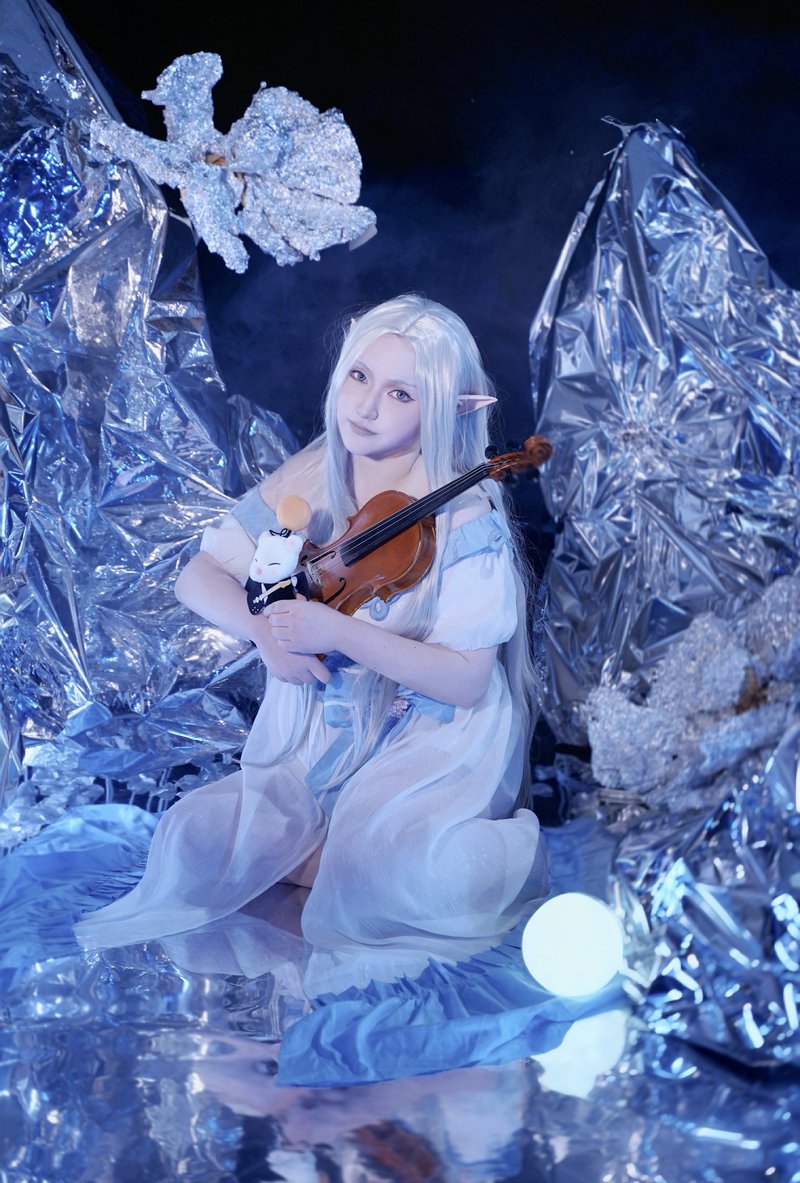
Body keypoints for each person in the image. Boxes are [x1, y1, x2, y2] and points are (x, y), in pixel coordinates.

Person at [75, 294, 549, 997]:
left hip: (424, 734)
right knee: (194, 840)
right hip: (323, 727)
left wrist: (340, 631)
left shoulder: (465, 512)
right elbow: (196, 576)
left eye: (401, 394)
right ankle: (324, 856)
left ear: (450, 408)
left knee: (403, 875)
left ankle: (352, 856)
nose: (367, 407)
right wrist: (264, 630)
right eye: (359, 376)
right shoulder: (319, 467)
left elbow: (466, 681)